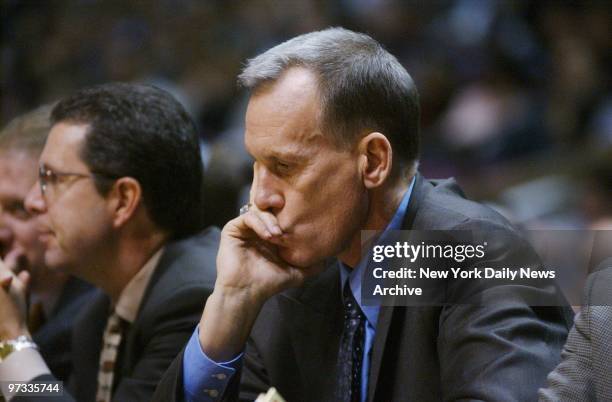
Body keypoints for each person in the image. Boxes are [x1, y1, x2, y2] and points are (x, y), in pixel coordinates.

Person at [153, 28, 571, 402]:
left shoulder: (480, 255)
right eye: (255, 167)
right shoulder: (288, 278)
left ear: (372, 161)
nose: (260, 198)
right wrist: (230, 304)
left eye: (285, 167)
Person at [0, 82, 219, 402]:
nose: (35, 201)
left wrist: (11, 340)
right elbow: (52, 392)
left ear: (123, 199)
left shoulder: (194, 301)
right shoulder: (97, 314)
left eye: (52, 179)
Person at [0, 105, 94, 382]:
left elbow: (45, 396)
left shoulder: (89, 318)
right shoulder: (31, 301)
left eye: (18, 209)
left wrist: (9, 340)